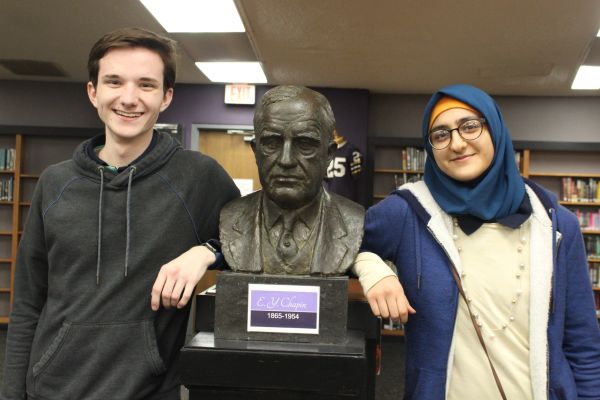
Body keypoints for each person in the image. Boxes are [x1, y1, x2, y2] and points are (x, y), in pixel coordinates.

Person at [2, 28, 239, 400]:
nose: (129, 98)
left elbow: (253, 236)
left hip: (147, 391)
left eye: (146, 85)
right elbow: (29, 303)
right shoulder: (54, 182)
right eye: (114, 81)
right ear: (93, 91)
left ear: (166, 97)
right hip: (50, 389)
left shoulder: (199, 178)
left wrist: (207, 252)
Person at [359, 84, 600, 399]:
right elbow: (342, 242)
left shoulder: (555, 223)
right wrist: (373, 269)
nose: (457, 143)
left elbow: (583, 344)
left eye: (470, 126)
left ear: (495, 131)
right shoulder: (408, 210)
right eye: (441, 134)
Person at [220, 85, 365, 276]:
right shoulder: (231, 216)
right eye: (271, 143)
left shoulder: (354, 220)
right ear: (256, 151)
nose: (285, 160)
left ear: (328, 154)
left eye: (305, 144)